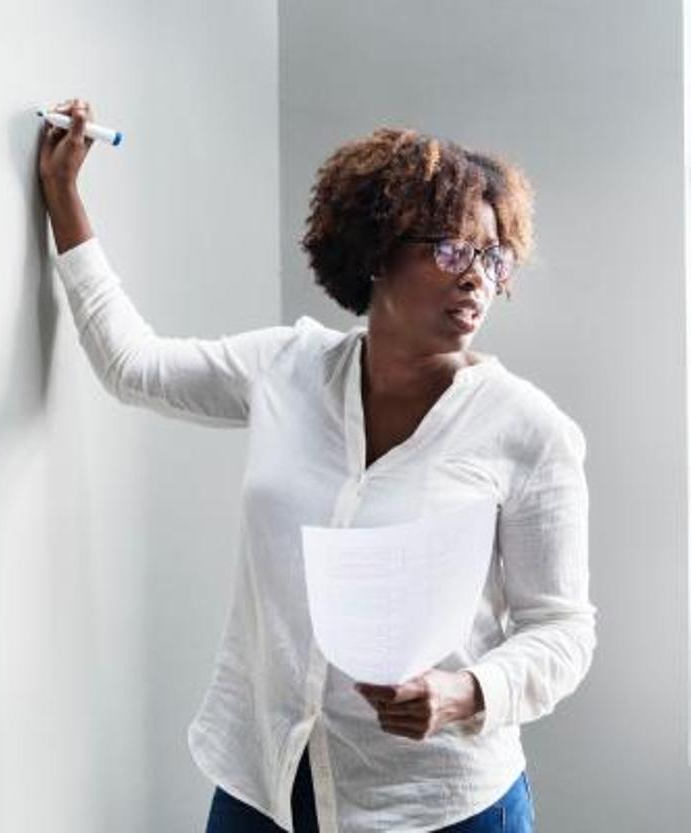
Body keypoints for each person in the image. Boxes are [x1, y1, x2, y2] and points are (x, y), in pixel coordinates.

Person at [38, 99, 596, 833]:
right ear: (376, 251)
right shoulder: (287, 366)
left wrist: (465, 690)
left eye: (493, 257)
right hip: (263, 786)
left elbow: (563, 630)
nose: (478, 279)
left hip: (438, 805)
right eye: (452, 249)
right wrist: (64, 199)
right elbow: (134, 367)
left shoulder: (529, 430)